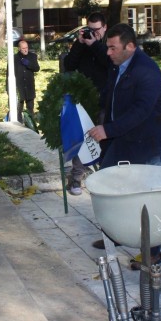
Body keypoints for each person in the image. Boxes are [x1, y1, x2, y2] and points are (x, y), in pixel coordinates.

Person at [87, 24, 161, 269]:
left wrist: (107, 130)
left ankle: (153, 254)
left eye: (112, 48)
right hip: (125, 139)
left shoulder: (147, 71)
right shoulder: (120, 66)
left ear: (130, 47)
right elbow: (110, 97)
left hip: (150, 144)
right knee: (107, 183)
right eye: (107, 47)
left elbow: (140, 112)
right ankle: (118, 234)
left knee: (144, 199)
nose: (108, 53)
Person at [62, 12, 111, 196]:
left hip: (105, 101)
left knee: (105, 140)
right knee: (83, 139)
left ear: (104, 27)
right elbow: (69, 64)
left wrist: (95, 45)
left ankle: (105, 176)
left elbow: (109, 64)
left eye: (96, 30)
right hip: (84, 99)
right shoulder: (83, 44)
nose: (93, 33)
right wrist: (79, 44)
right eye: (89, 29)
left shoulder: (109, 44)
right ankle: (76, 178)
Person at [12, 39, 41, 119]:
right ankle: (19, 124)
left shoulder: (32, 56)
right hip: (19, 88)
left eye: (26, 48)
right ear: (19, 48)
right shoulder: (14, 58)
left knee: (30, 109)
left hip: (29, 87)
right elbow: (9, 73)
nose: (25, 50)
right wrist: (8, 89)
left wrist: (28, 64)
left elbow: (37, 68)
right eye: (23, 48)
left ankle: (31, 127)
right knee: (18, 110)